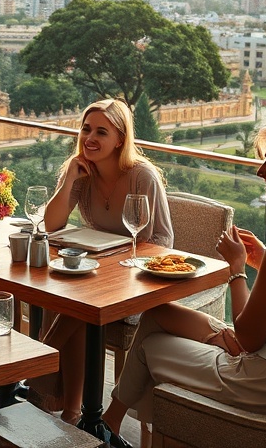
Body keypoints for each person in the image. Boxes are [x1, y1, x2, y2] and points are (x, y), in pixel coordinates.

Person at [100, 115, 266, 448]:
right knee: (159, 315)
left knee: (150, 346)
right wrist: (263, 261)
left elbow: (248, 339)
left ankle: (123, 430)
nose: (261, 172)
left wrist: (237, 269)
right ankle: (109, 425)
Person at [28, 98, 173, 425]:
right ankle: (72, 410)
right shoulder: (80, 170)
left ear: (120, 139)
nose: (89, 138)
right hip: (97, 273)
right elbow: (51, 225)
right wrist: (68, 182)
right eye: (86, 128)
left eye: (101, 132)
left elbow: (164, 241)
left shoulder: (143, 177)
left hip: (135, 280)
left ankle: (41, 361)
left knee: (75, 300)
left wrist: (123, 262)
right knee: (69, 296)